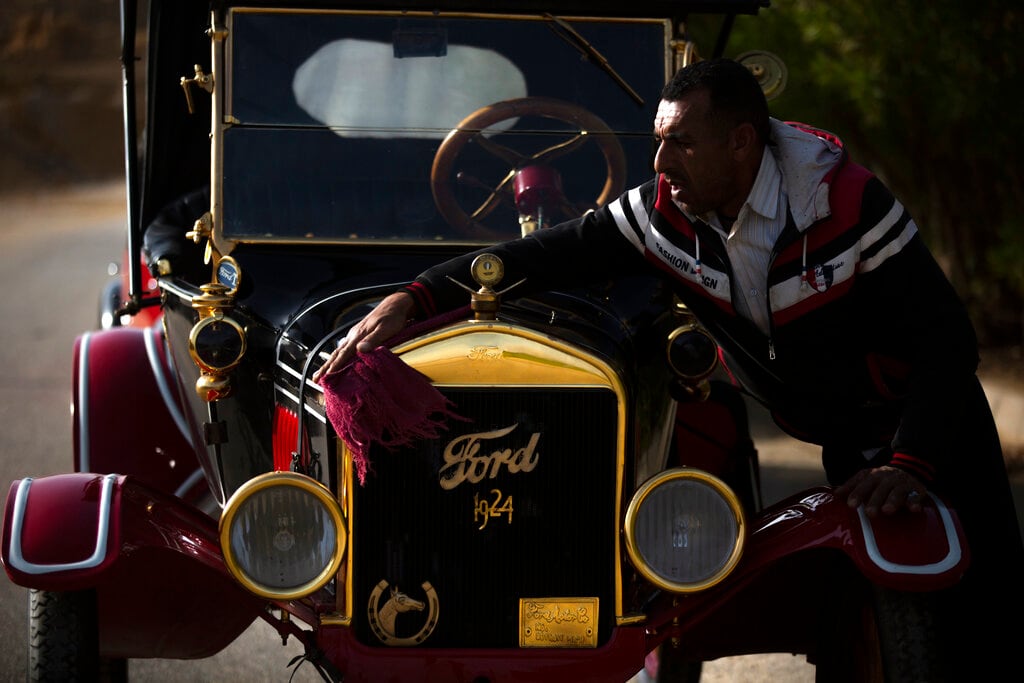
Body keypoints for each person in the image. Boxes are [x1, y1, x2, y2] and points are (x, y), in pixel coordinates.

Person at [314, 58, 1023, 671]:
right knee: (875, 618)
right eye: (657, 142)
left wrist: (910, 461)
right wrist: (417, 296)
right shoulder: (660, 214)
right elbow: (540, 256)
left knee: (987, 612)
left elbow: (949, 342)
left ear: (742, 142)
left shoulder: (850, 205)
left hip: (931, 426)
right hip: (841, 433)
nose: (660, 164)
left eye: (681, 143)